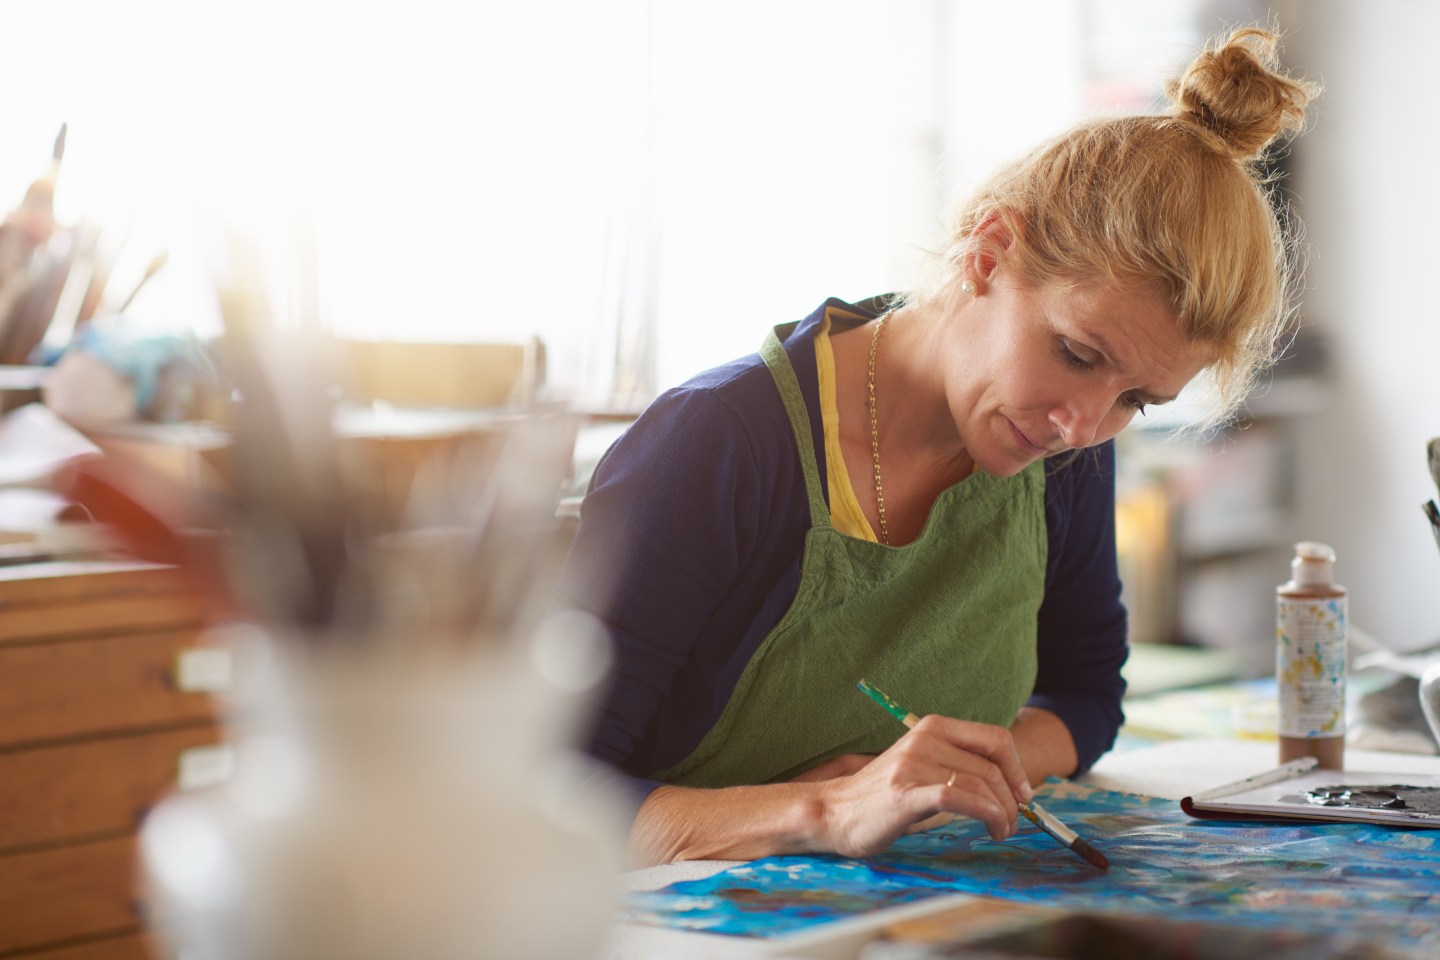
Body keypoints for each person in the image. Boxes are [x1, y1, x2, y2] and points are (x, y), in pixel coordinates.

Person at [560, 26, 1318, 867]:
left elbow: (1086, 697)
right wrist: (827, 809)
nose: (1081, 426)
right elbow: (542, 795)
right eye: (1076, 353)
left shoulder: (1061, 448)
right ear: (989, 253)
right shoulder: (715, 446)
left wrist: (946, 776)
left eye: (1135, 401)